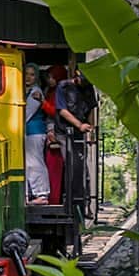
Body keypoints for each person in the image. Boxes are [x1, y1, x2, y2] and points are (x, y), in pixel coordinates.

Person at [55, 68, 97, 203]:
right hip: (64, 131)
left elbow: (91, 108)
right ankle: (71, 201)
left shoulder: (89, 89)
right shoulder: (63, 87)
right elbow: (62, 111)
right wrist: (79, 125)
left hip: (81, 132)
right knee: (71, 166)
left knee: (81, 167)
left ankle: (85, 201)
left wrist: (91, 129)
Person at [41, 65, 67, 204]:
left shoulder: (59, 92)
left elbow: (55, 112)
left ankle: (54, 199)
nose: (49, 80)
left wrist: (42, 103)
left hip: (56, 133)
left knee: (54, 169)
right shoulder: (50, 91)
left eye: (51, 77)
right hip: (51, 132)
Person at [24, 64, 49, 204]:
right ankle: (30, 194)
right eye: (26, 74)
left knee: (35, 163)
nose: (28, 77)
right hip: (27, 132)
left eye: (32, 74)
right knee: (28, 164)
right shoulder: (25, 91)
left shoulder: (35, 92)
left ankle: (42, 193)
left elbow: (26, 114)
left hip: (35, 131)